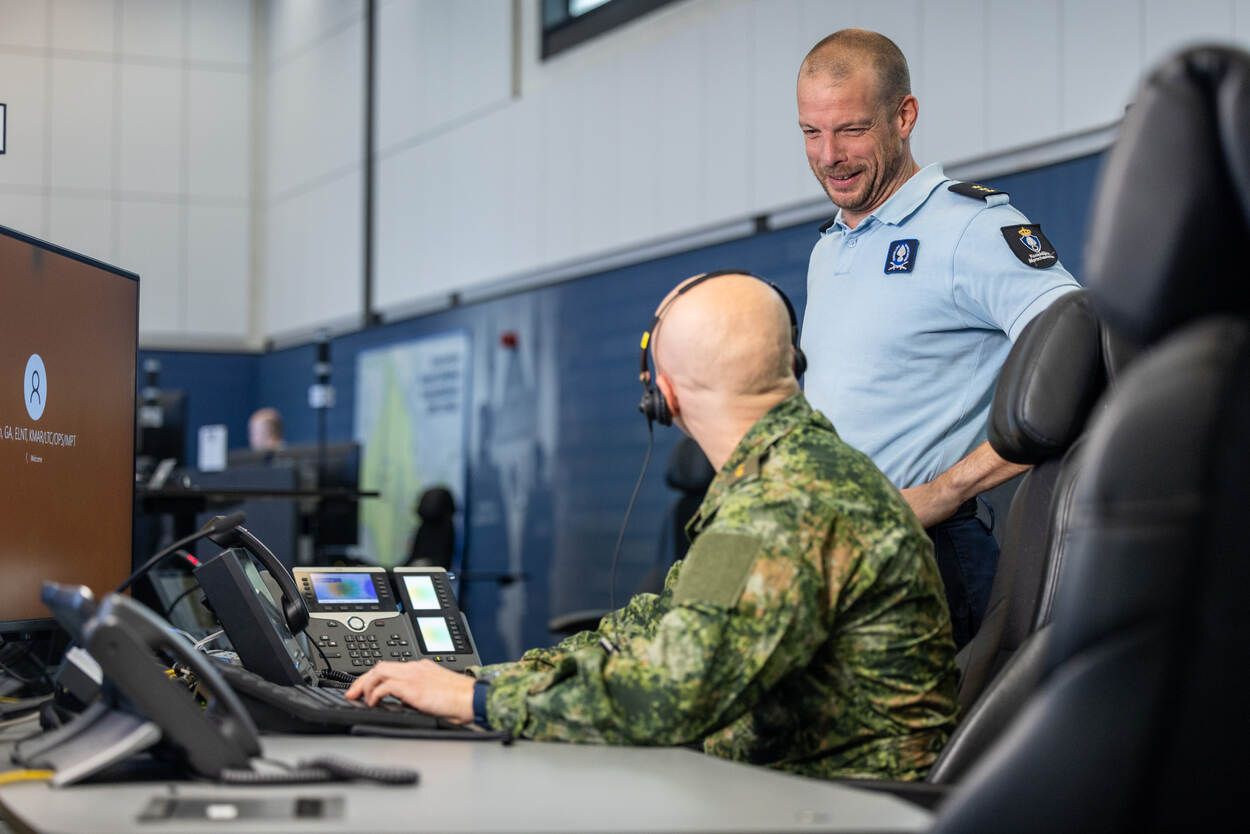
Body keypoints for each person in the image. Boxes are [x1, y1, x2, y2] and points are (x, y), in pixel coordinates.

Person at [348, 272, 959, 781]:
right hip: (789, 790)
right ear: (790, 362)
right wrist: (473, 682)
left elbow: (674, 692)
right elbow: (649, 633)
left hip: (842, 806)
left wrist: (474, 701)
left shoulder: (782, 505)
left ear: (661, 394)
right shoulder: (781, 478)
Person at [795, 29, 1080, 647]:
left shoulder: (969, 228)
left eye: (851, 130)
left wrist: (945, 490)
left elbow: (1087, 357)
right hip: (832, 559)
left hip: (925, 554)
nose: (829, 155)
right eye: (811, 133)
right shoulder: (829, 247)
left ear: (904, 116)